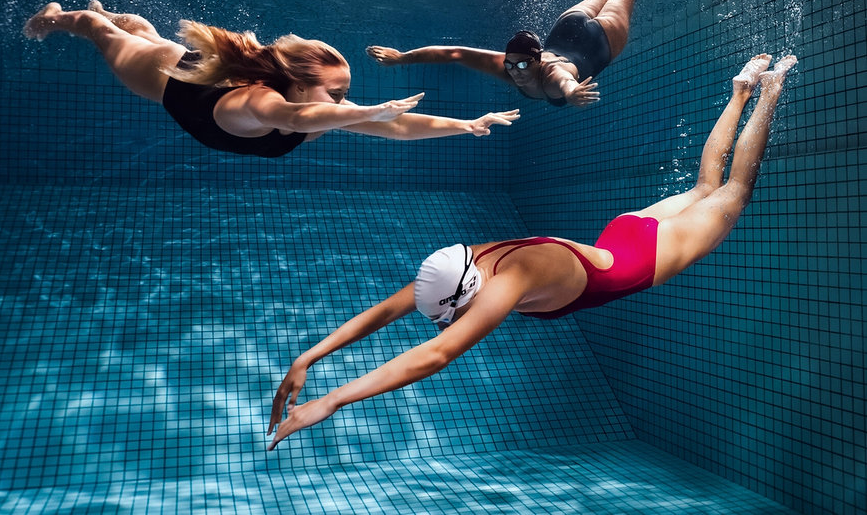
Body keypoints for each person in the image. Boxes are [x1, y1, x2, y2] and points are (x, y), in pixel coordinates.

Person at [268, 53, 797, 448]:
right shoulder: (469, 259)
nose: (451, 323)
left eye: (452, 315)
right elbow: (387, 310)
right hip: (621, 236)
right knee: (704, 188)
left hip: (645, 259)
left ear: (468, 293)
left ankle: (768, 89)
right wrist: (309, 356)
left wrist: (332, 400)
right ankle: (739, 91)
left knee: (734, 188)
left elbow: (436, 355)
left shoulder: (510, 281)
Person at [23, 0, 520, 158]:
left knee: (147, 35)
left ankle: (120, 17)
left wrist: (467, 124)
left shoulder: (320, 108)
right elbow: (293, 118)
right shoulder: (259, 103)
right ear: (299, 86)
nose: (343, 102)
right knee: (102, 34)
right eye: (336, 93)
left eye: (345, 94)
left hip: (195, 74)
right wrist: (369, 111)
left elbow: (398, 127)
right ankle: (57, 15)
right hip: (165, 81)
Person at [367, 0, 663, 107]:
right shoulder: (509, 68)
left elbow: (565, 82)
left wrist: (572, 93)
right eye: (510, 64)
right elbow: (454, 53)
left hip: (597, 41)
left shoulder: (551, 74)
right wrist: (402, 58)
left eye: (522, 65)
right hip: (567, 28)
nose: (515, 71)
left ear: (538, 60)